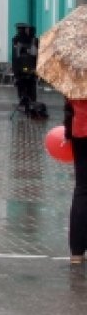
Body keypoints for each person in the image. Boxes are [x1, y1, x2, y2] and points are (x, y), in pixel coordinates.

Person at [63, 100, 87, 263]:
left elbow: (69, 107)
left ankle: (77, 252)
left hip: (80, 129)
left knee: (82, 188)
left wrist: (67, 132)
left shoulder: (74, 75)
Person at [12, 23, 39, 106]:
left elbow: (16, 55)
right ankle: (31, 99)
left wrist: (15, 70)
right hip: (31, 66)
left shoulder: (17, 39)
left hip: (21, 65)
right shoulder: (34, 39)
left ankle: (23, 99)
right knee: (31, 84)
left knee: (22, 83)